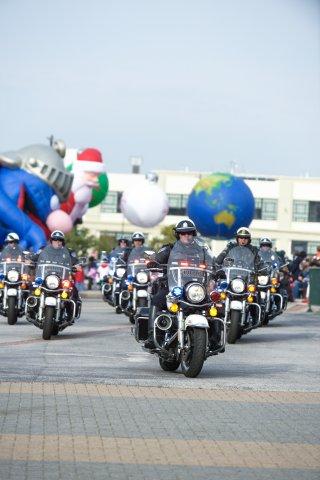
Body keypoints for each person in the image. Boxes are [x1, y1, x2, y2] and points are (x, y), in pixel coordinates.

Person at [144, 219, 212, 349]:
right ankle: (153, 336)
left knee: (214, 305)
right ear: (178, 235)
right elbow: (158, 259)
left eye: (189, 233)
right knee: (157, 300)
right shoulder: (168, 249)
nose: (186, 235)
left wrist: (218, 269)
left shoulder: (202, 250)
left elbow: (212, 262)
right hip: (173, 286)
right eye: (183, 233)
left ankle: (213, 338)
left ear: (193, 234)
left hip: (195, 289)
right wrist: (154, 263)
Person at [35, 230, 81, 317]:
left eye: (60, 240)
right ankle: (32, 307)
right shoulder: (43, 249)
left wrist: (77, 265)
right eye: (55, 240)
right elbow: (35, 257)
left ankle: (71, 313)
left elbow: (75, 261)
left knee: (73, 291)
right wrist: (29, 260)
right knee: (33, 287)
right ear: (51, 240)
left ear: (63, 242)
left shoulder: (68, 251)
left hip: (61, 278)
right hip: (46, 277)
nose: (57, 242)